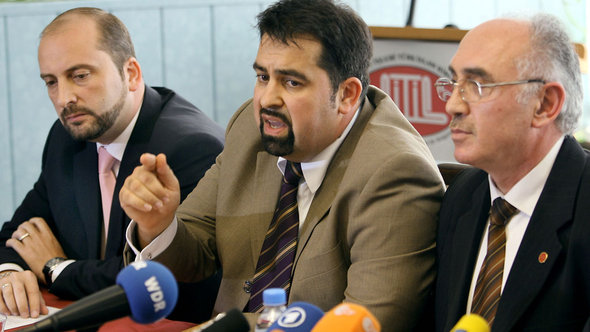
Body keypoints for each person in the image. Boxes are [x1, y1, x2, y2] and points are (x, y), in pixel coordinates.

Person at [120, 0, 445, 330]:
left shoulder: (394, 171)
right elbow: (194, 255)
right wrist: (157, 223)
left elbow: (367, 323)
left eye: (291, 82)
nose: (267, 100)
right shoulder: (251, 130)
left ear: (347, 94)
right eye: (263, 77)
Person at [0, 7, 224, 320]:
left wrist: (55, 268)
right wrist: (8, 273)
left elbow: (158, 282)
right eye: (51, 82)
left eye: (79, 76)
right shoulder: (69, 136)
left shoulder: (190, 147)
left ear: (131, 74)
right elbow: (20, 229)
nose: (64, 98)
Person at [434, 14, 590, 331]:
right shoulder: (462, 194)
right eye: (453, 83)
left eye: (476, 86)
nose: (453, 105)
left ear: (545, 104)